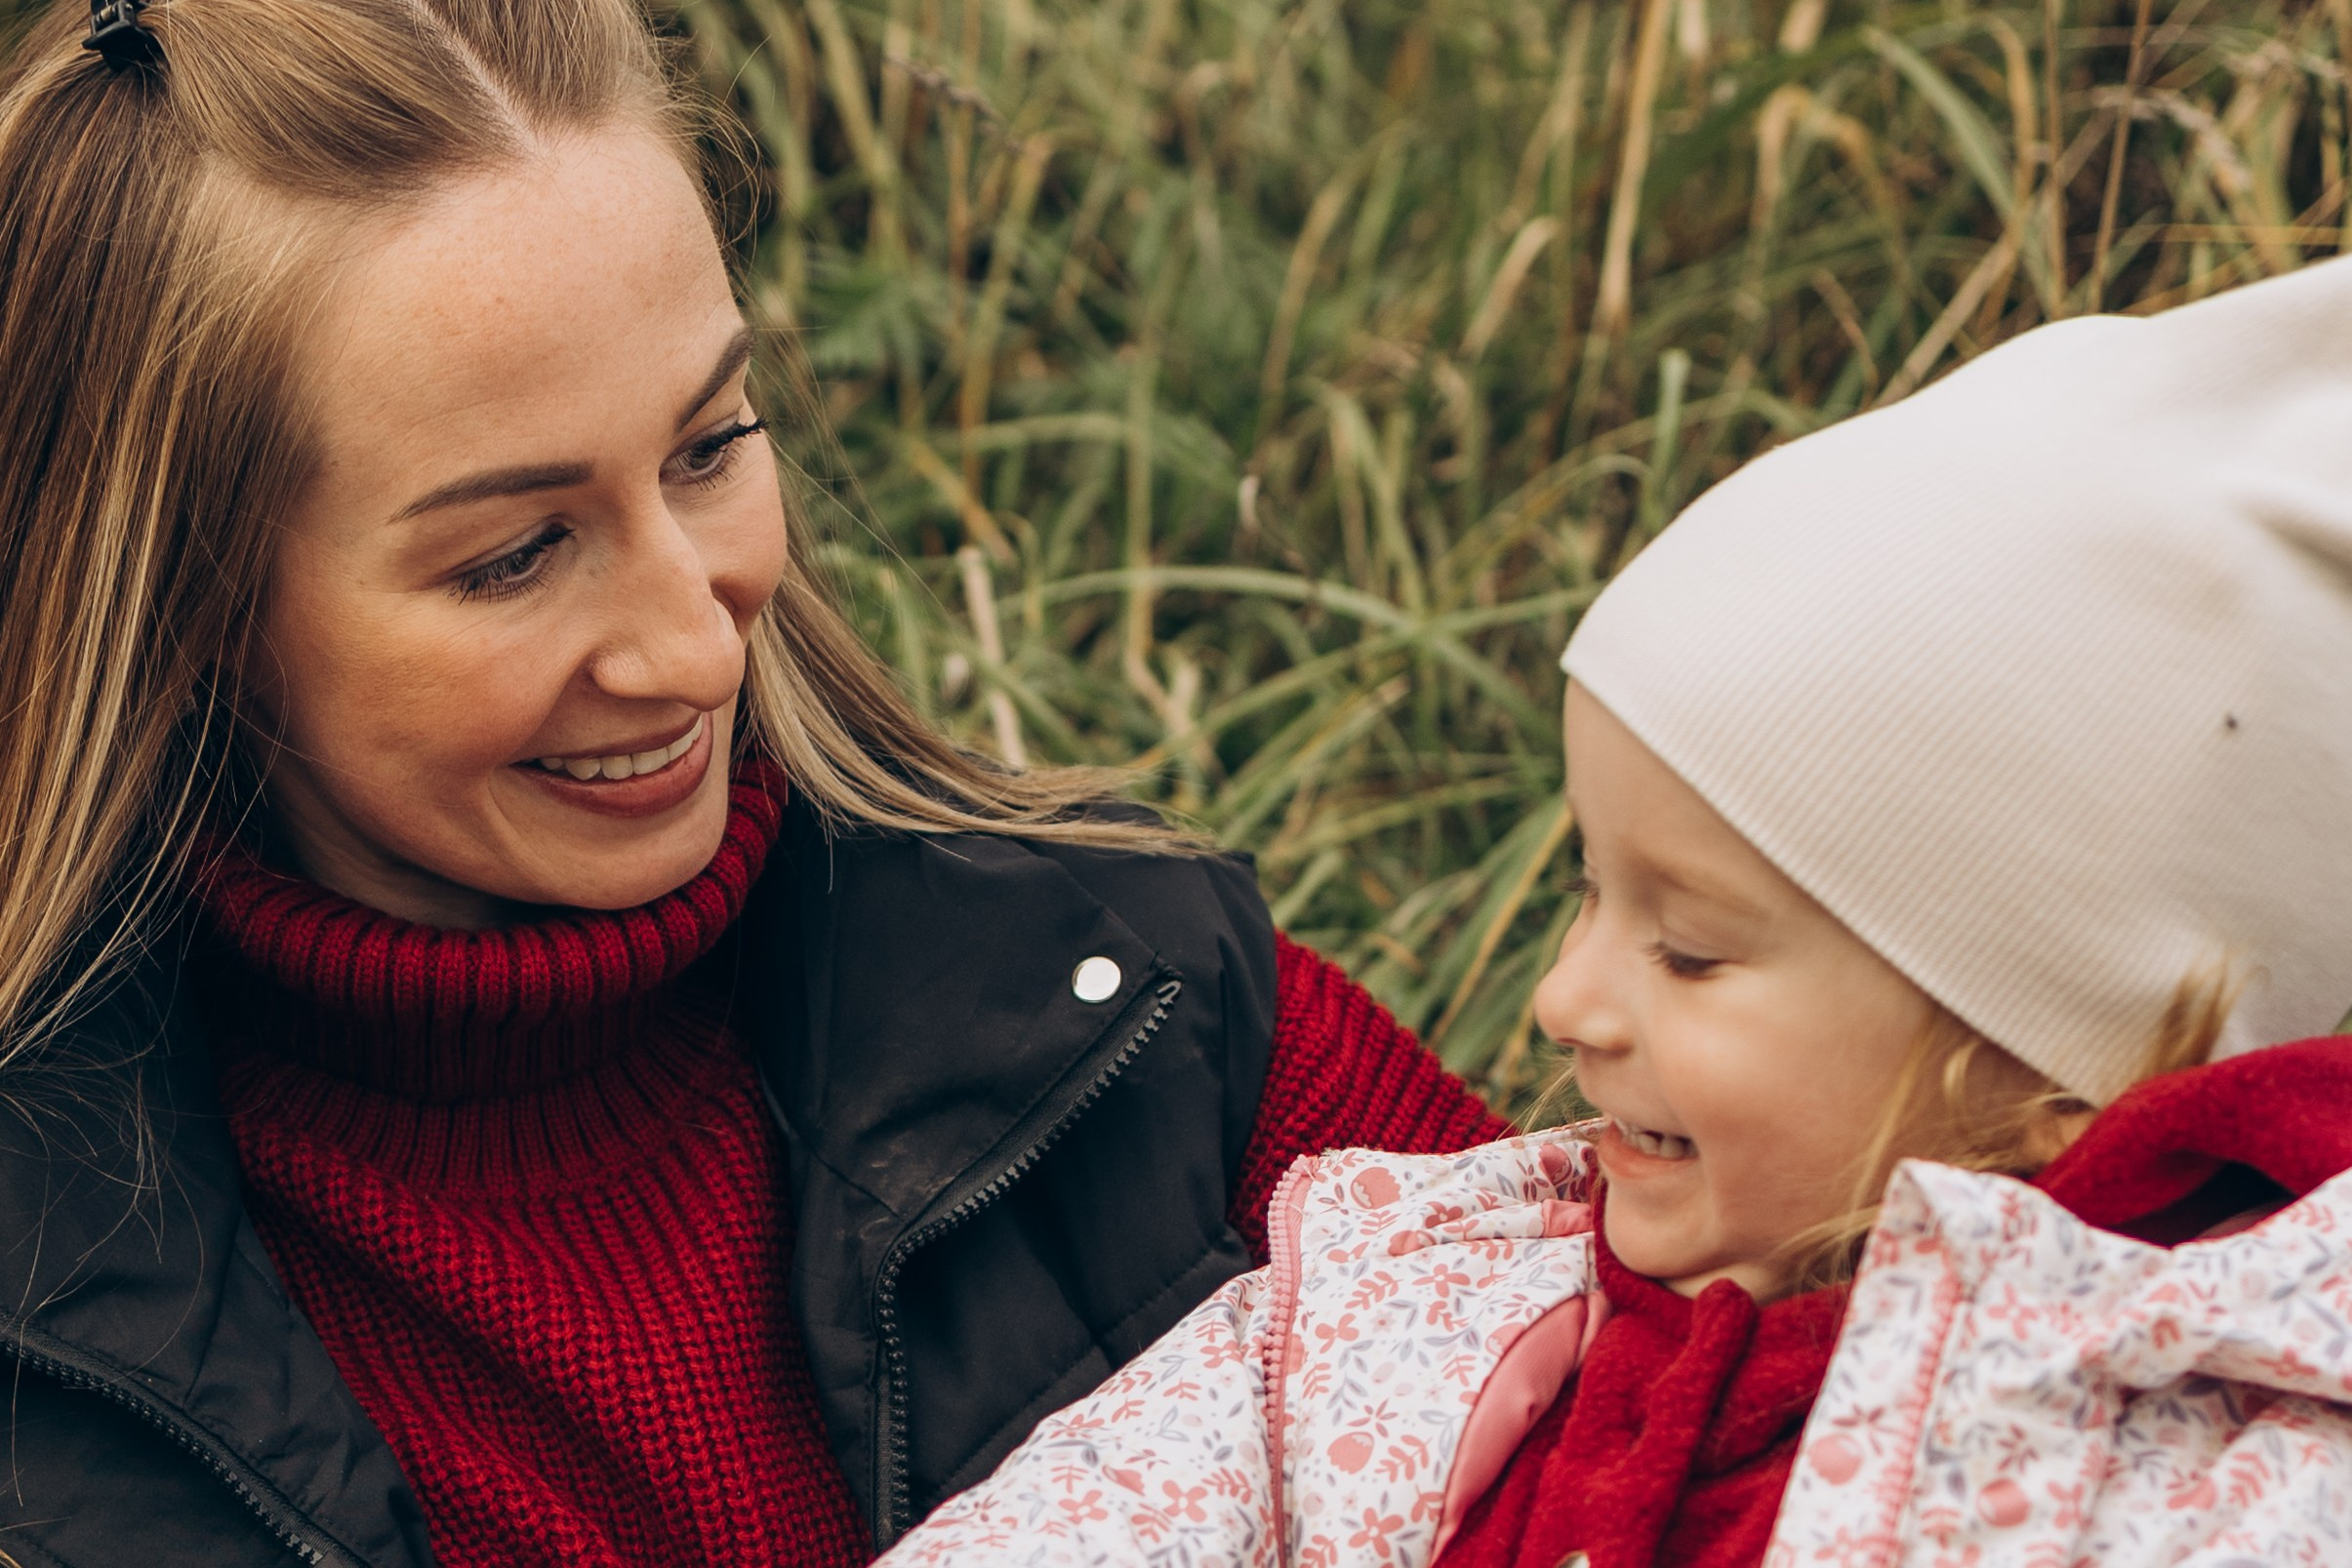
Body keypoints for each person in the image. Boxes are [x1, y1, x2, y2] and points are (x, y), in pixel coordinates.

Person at [0, 3, 1515, 1565]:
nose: (697, 652)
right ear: (181, 606)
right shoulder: (41, 1356)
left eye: (711, 446)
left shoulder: (1143, 1011)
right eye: (514, 554)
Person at [870, 261, 2352, 1568]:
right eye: (1589, 888)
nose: (1562, 1002)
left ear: (2042, 1068)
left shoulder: (2240, 1475)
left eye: (1688, 950)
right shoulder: (1424, 1308)